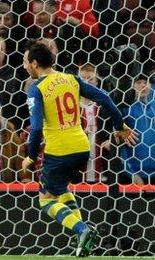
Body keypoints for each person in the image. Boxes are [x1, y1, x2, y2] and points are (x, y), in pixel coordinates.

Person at [21, 41, 138, 257]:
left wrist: (30, 156)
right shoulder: (72, 79)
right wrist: (119, 125)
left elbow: (36, 128)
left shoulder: (35, 89)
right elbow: (105, 98)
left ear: (35, 63)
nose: (24, 65)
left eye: (25, 61)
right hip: (82, 147)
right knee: (60, 189)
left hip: (59, 151)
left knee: (46, 199)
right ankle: (82, 241)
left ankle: (82, 230)